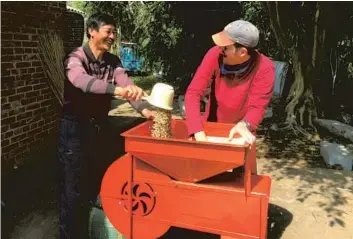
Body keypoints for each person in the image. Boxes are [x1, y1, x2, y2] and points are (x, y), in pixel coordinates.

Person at [57, 13, 154, 238]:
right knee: (72, 191)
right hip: (73, 131)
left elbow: (126, 85)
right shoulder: (76, 57)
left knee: (95, 183)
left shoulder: (113, 62)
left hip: (99, 128)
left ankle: (92, 230)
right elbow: (80, 81)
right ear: (92, 31)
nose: (112, 36)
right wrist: (116, 91)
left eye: (114, 32)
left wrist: (147, 111)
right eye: (108, 31)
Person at [185, 20, 275, 151]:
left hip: (241, 132)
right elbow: (193, 93)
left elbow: (258, 107)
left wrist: (245, 124)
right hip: (210, 127)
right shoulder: (214, 54)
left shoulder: (265, 68)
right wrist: (197, 131)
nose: (220, 49)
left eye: (226, 47)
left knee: (242, 169)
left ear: (242, 52)